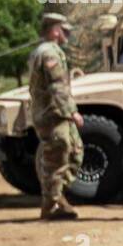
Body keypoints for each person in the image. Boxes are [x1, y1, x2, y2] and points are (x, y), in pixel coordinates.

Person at [28, 12, 84, 221]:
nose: (66, 34)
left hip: (54, 113)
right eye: (64, 30)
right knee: (57, 158)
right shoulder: (50, 53)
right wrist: (73, 112)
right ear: (54, 30)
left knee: (74, 152)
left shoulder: (43, 51)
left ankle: (56, 197)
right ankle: (51, 204)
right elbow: (57, 87)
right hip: (52, 114)